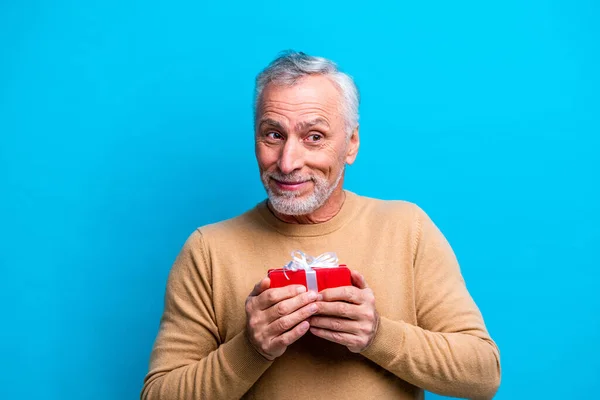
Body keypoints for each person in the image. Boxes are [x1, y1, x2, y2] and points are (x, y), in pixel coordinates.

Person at [141, 51, 501, 400]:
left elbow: (483, 375)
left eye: (314, 136)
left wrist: (377, 334)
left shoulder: (407, 229)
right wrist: (251, 348)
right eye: (273, 135)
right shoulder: (208, 250)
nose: (288, 162)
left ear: (351, 144)